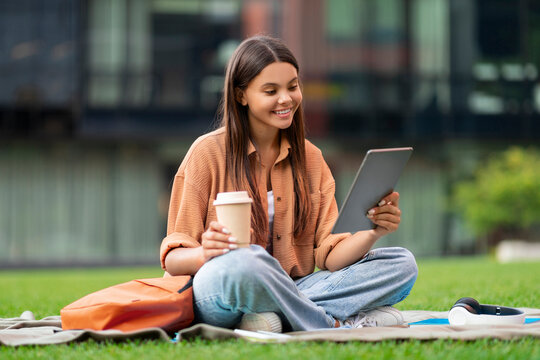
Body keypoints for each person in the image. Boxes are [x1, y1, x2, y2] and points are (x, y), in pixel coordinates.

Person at [160, 35, 417, 332]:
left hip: (297, 286)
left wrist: (373, 231)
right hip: (222, 289)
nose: (286, 99)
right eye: (271, 90)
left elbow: (331, 257)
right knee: (248, 262)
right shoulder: (206, 154)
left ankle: (271, 319)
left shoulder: (311, 158)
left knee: (402, 263)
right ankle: (331, 323)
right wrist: (205, 254)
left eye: (293, 87)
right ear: (241, 95)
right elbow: (173, 259)